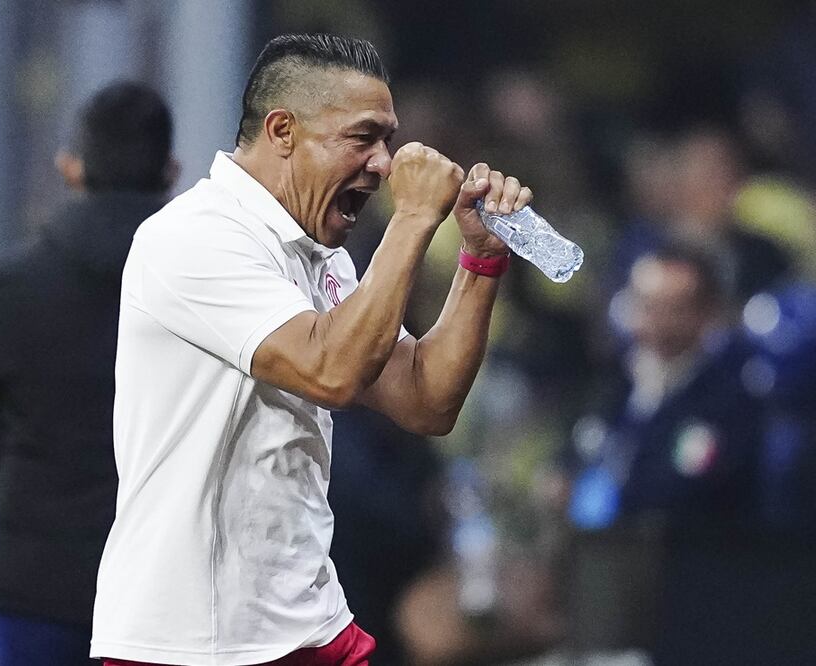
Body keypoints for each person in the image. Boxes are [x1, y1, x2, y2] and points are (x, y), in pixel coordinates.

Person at [91, 33, 534, 665]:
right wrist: (411, 221)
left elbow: (427, 401)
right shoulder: (193, 239)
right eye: (362, 138)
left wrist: (480, 263)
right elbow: (330, 371)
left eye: (387, 139)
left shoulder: (322, 258)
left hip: (309, 620)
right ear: (282, 132)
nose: (383, 163)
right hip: (196, 637)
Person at [0, 81, 175, 666]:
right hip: (168, 585)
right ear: (171, 170)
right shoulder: (202, 287)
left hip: (35, 582)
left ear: (71, 170)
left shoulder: (15, 282)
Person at [568, 247, 816, 664]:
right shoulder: (618, 378)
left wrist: (610, 487)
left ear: (706, 313)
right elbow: (580, 448)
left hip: (702, 591)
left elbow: (687, 481)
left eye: (674, 308)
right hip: (612, 578)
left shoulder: (731, 391)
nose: (655, 322)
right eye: (646, 305)